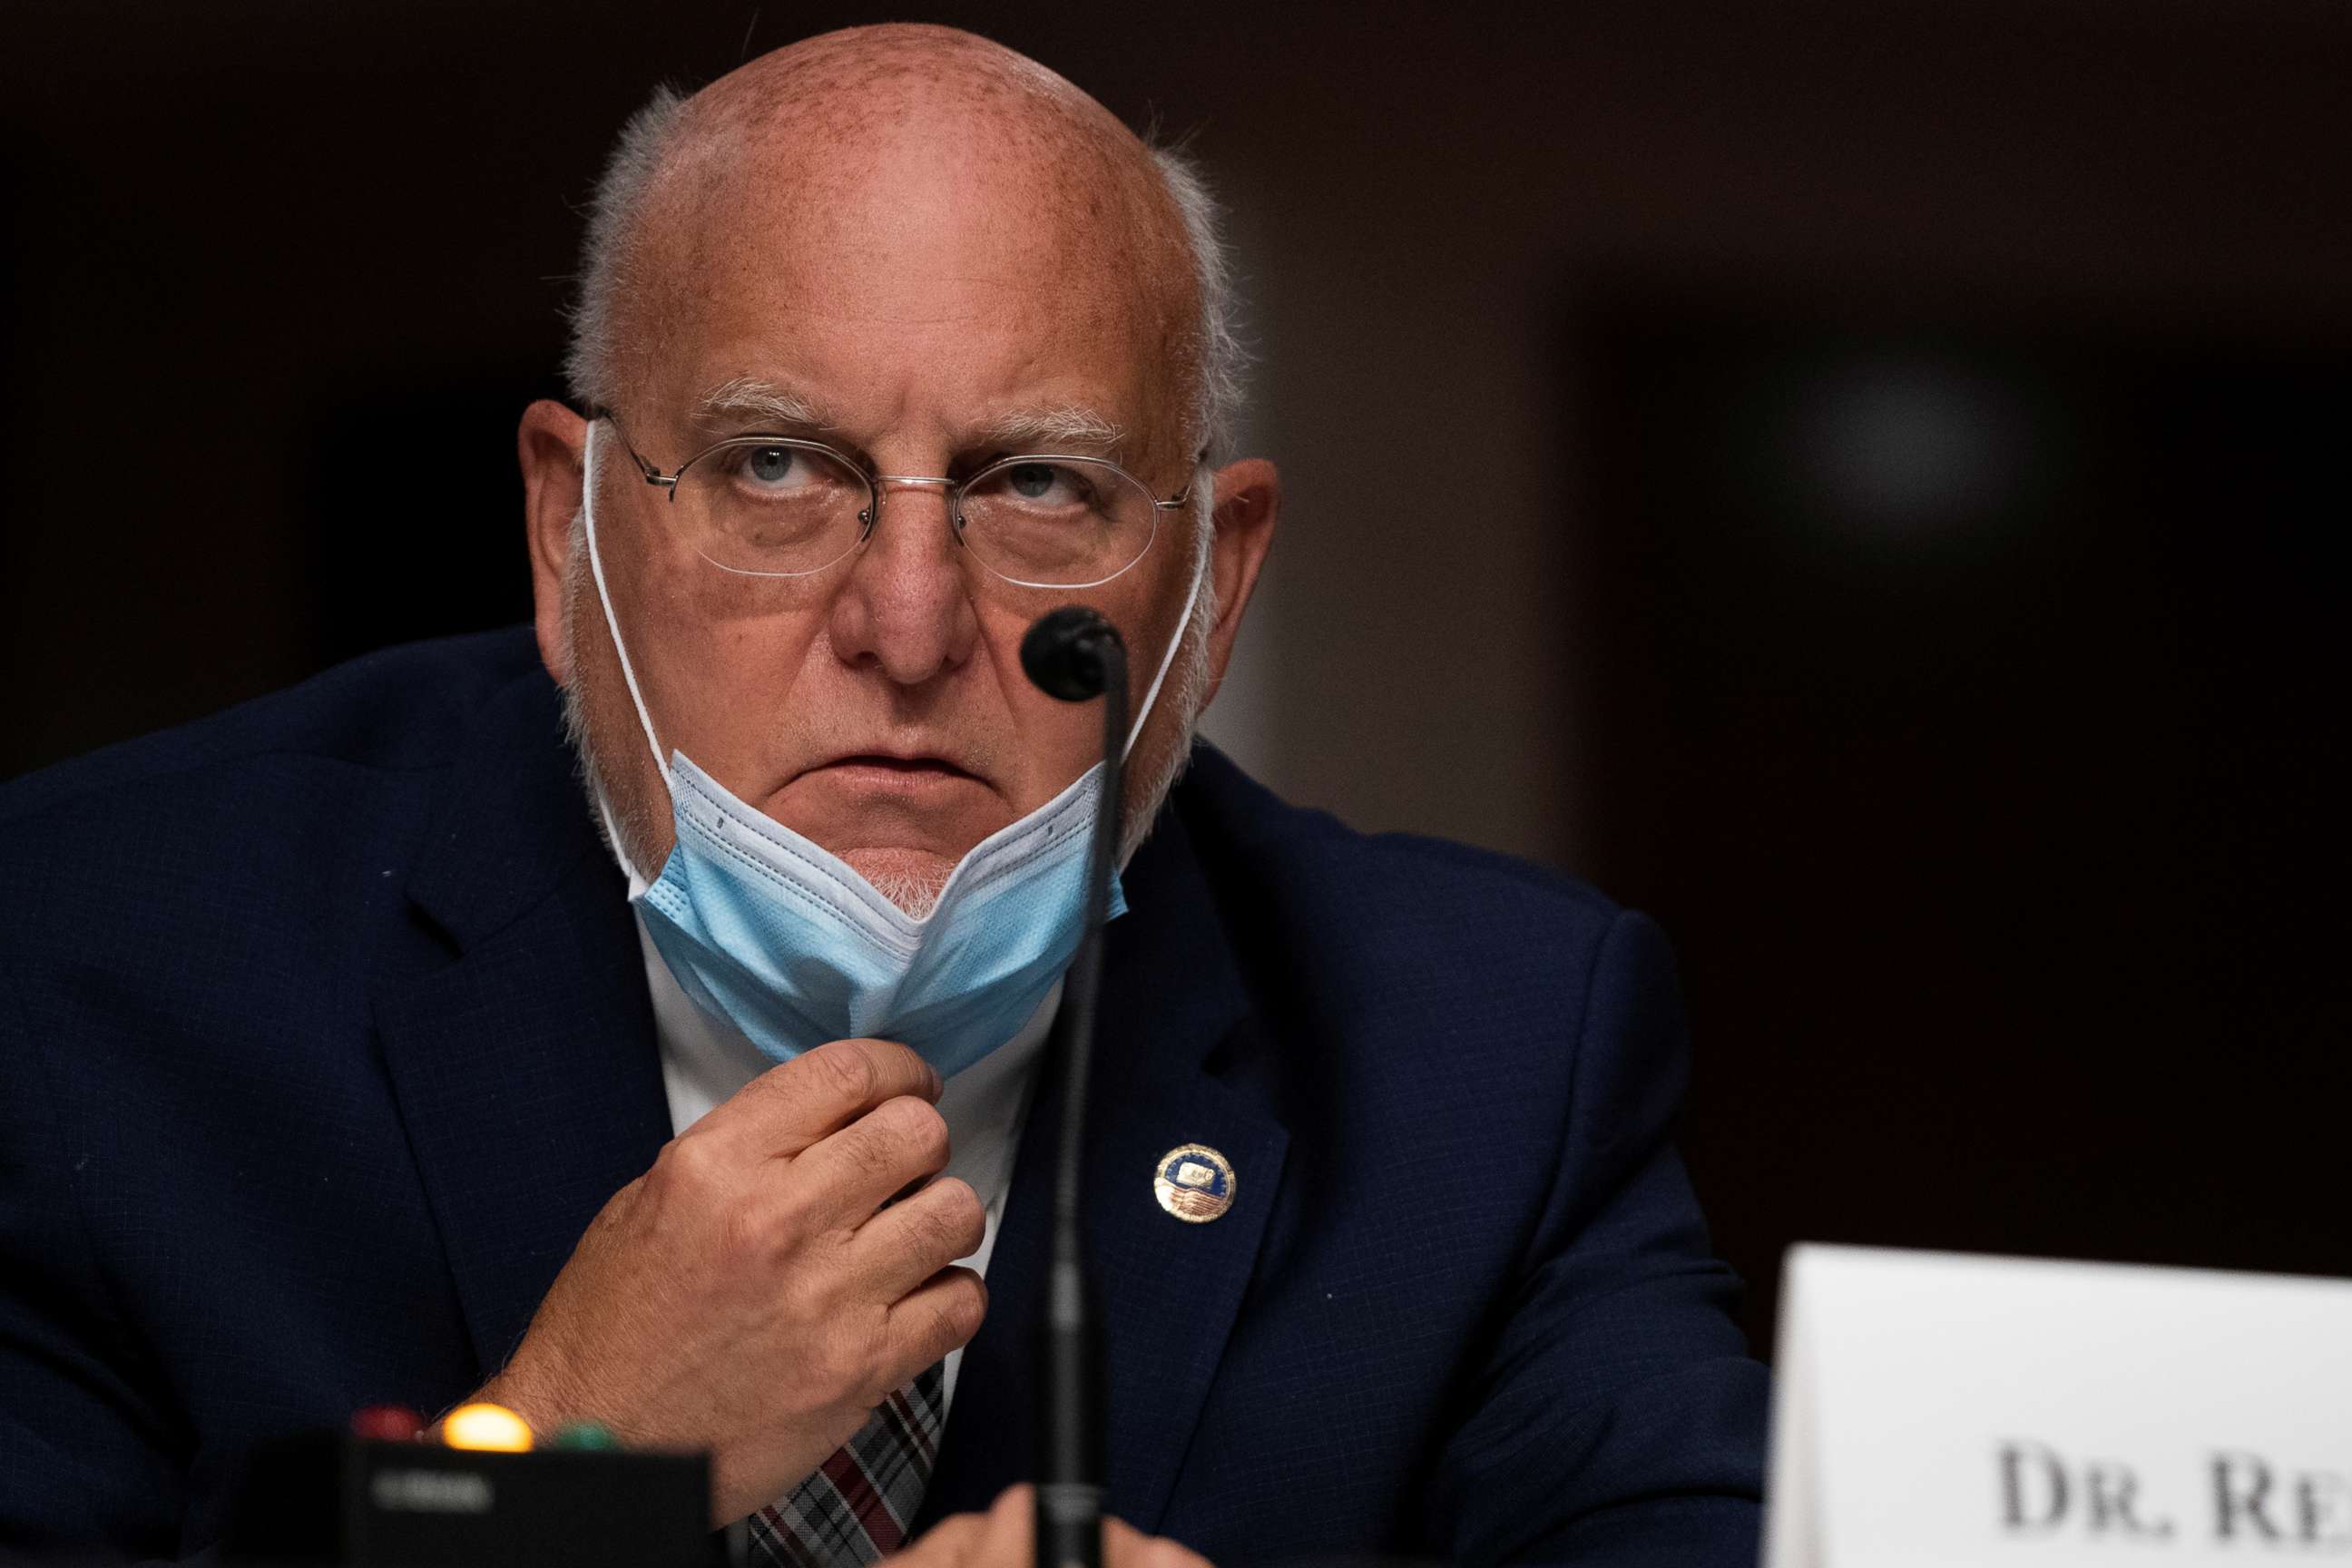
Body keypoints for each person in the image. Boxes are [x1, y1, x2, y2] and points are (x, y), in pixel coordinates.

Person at [0, 24, 1767, 1565]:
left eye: (1038, 485)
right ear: (566, 532)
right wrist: (547, 1465)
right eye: (777, 468)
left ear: (1213, 590)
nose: (908, 623)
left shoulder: (1490, 1060)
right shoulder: (95, 969)